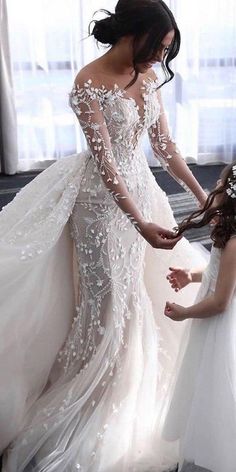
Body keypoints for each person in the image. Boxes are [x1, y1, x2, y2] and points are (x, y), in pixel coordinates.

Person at [1, 1, 206, 470]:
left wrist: (202, 196)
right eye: (158, 47)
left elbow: (164, 146)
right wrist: (137, 220)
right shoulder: (87, 82)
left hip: (143, 194)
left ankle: (125, 389)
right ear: (134, 34)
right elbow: (106, 163)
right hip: (99, 204)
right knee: (107, 303)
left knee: (135, 294)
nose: (160, 60)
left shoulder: (150, 78)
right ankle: (88, 401)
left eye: (167, 51)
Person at [164, 162, 236, 472]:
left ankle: (217, 449)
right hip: (212, 321)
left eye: (218, 186)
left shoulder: (234, 242)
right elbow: (217, 273)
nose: (212, 192)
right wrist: (191, 275)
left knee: (216, 384)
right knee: (202, 382)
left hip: (219, 325)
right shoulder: (229, 236)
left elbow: (220, 301)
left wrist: (185, 313)